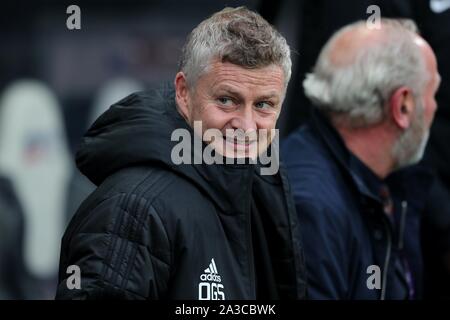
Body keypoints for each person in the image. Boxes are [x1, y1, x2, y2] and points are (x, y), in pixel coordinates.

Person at [56, 7, 306, 300]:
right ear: (184, 93)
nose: (247, 126)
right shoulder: (133, 210)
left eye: (264, 104)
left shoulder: (259, 185)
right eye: (227, 100)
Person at [282, 19, 440, 299]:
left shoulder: (377, 177)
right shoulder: (312, 208)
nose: (435, 106)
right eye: (433, 93)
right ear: (402, 106)